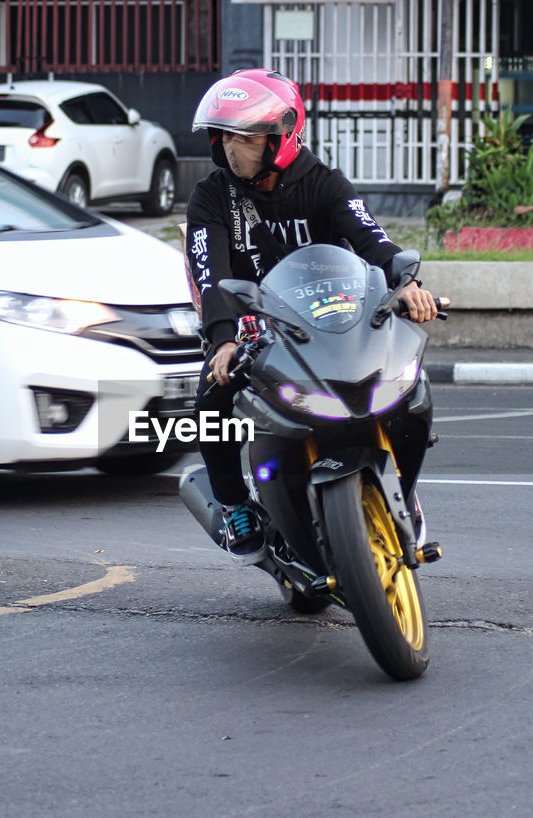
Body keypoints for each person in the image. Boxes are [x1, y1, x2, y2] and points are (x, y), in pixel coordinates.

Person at [185, 68, 438, 563]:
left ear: (281, 137)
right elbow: (209, 274)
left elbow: (372, 239)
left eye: (247, 139)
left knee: (408, 389)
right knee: (209, 405)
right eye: (226, 139)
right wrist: (222, 340)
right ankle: (236, 504)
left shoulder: (322, 183)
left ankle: (403, 491)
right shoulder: (211, 197)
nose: (233, 150)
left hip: (333, 322)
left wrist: (407, 284)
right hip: (255, 328)